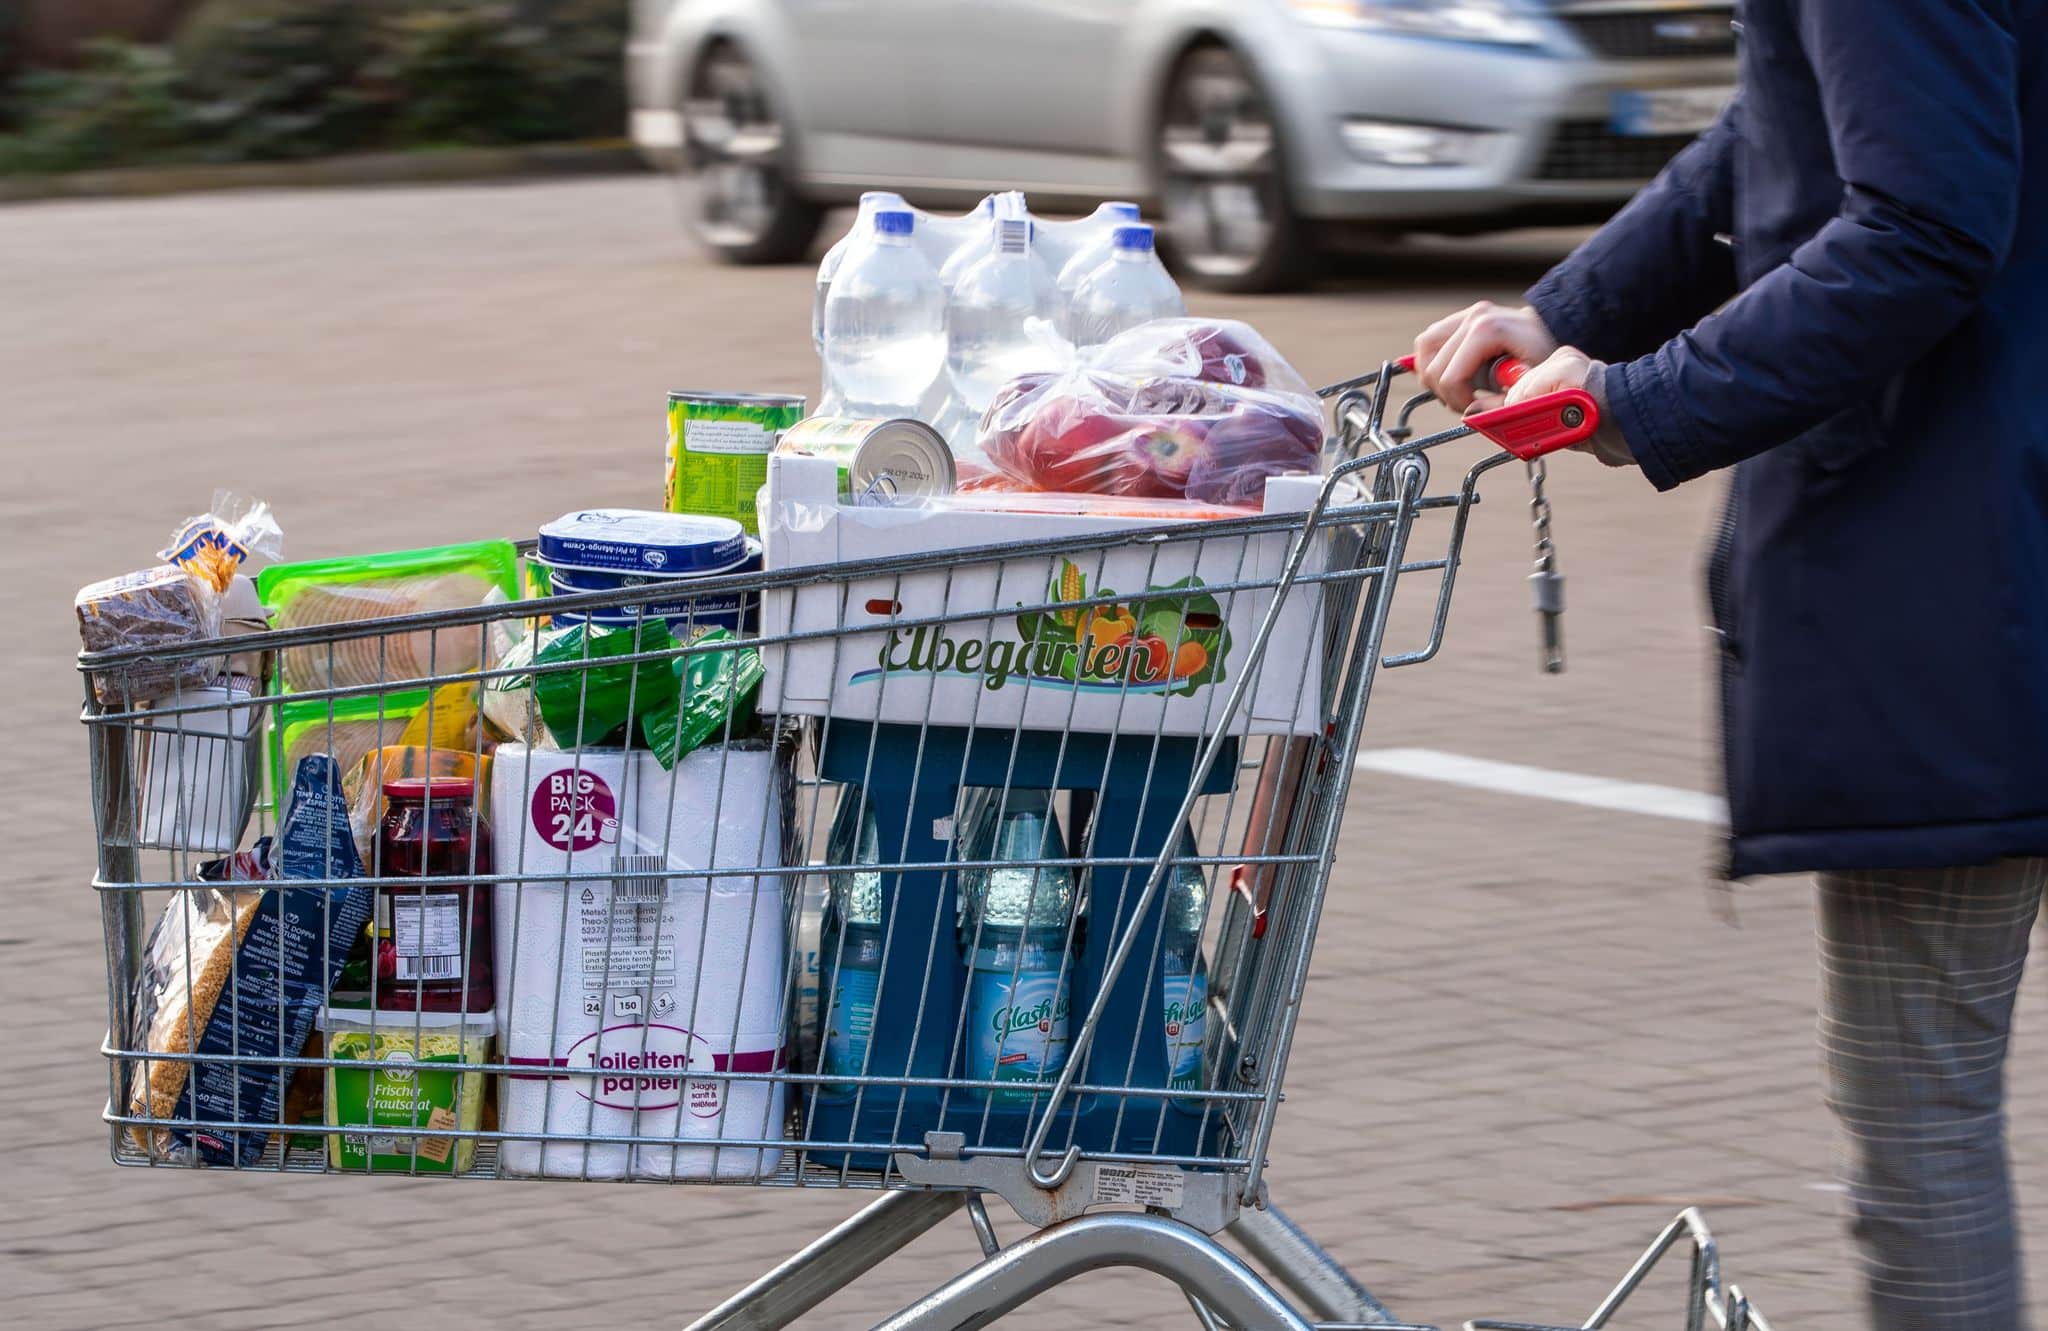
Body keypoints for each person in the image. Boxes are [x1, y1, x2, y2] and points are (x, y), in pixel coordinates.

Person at [1412, 3, 2046, 1326]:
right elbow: (1787, 119)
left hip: (1961, 550)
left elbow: (1920, 227)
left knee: (1923, 1110)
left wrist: (1644, 401)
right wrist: (1573, 310)